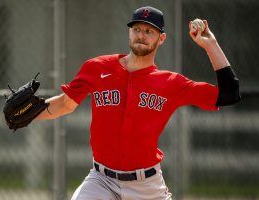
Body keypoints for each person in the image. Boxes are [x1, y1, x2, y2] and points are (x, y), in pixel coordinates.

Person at [36, 6, 240, 200]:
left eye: (149, 31)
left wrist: (210, 44)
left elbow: (229, 94)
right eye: (137, 29)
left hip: (147, 187)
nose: (141, 35)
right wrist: (27, 115)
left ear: (161, 39)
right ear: (129, 33)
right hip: (101, 180)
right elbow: (65, 104)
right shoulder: (97, 68)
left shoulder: (171, 83)